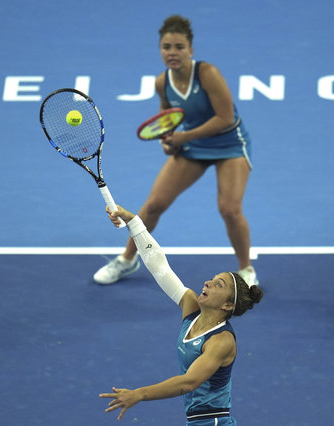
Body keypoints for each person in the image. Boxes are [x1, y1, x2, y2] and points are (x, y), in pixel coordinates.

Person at [93, 14, 259, 287]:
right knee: (155, 204)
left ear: (190, 50)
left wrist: (183, 137)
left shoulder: (208, 74)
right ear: (160, 50)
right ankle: (126, 260)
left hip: (229, 144)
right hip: (192, 145)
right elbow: (165, 119)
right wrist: (166, 140)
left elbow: (225, 119)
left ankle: (247, 270)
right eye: (167, 47)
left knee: (229, 209)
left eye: (179, 47)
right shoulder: (162, 82)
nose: (172, 53)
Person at [99, 205, 263, 424]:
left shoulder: (222, 341)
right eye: (212, 279)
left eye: (218, 285)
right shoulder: (192, 308)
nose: (208, 283)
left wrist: (139, 394)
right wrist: (133, 221)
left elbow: (189, 383)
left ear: (227, 305)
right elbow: (159, 266)